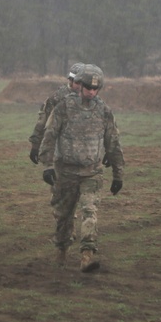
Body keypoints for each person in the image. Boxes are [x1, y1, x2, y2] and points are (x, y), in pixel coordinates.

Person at [38, 64, 124, 272]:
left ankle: (87, 255)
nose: (92, 92)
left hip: (91, 171)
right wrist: (48, 165)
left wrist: (118, 173)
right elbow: (49, 135)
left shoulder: (104, 111)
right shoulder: (64, 107)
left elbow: (113, 142)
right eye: (88, 88)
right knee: (63, 216)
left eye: (96, 89)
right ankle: (61, 249)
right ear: (81, 86)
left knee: (89, 210)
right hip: (65, 171)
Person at [28, 63, 84, 164]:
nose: (80, 86)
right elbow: (42, 121)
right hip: (61, 151)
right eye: (78, 83)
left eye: (83, 83)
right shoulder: (58, 97)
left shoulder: (90, 98)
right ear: (70, 81)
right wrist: (35, 146)